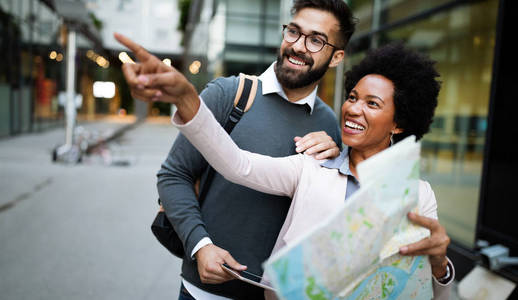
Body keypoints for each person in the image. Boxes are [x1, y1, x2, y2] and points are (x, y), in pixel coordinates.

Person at [136, 43, 455, 300]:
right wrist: (188, 99)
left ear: (399, 123)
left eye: (372, 104)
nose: (353, 108)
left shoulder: (417, 194)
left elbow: (428, 290)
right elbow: (238, 164)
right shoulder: (313, 169)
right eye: (353, 97)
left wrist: (440, 266)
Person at [116, 1, 357, 298]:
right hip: (204, 291)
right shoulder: (230, 93)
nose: (297, 46)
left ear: (336, 57)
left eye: (316, 40)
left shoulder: (329, 124)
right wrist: (200, 246)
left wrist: (332, 162)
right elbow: (173, 175)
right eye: (293, 31)